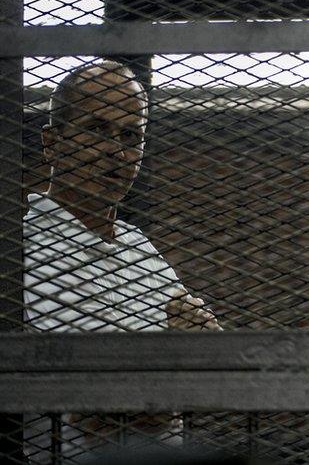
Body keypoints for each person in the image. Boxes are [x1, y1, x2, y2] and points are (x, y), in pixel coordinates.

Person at [23, 61, 220, 462]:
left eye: (131, 136)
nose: (116, 150)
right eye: (96, 129)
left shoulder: (139, 247)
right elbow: (88, 412)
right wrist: (171, 375)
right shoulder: (23, 246)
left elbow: (212, 366)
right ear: (51, 141)